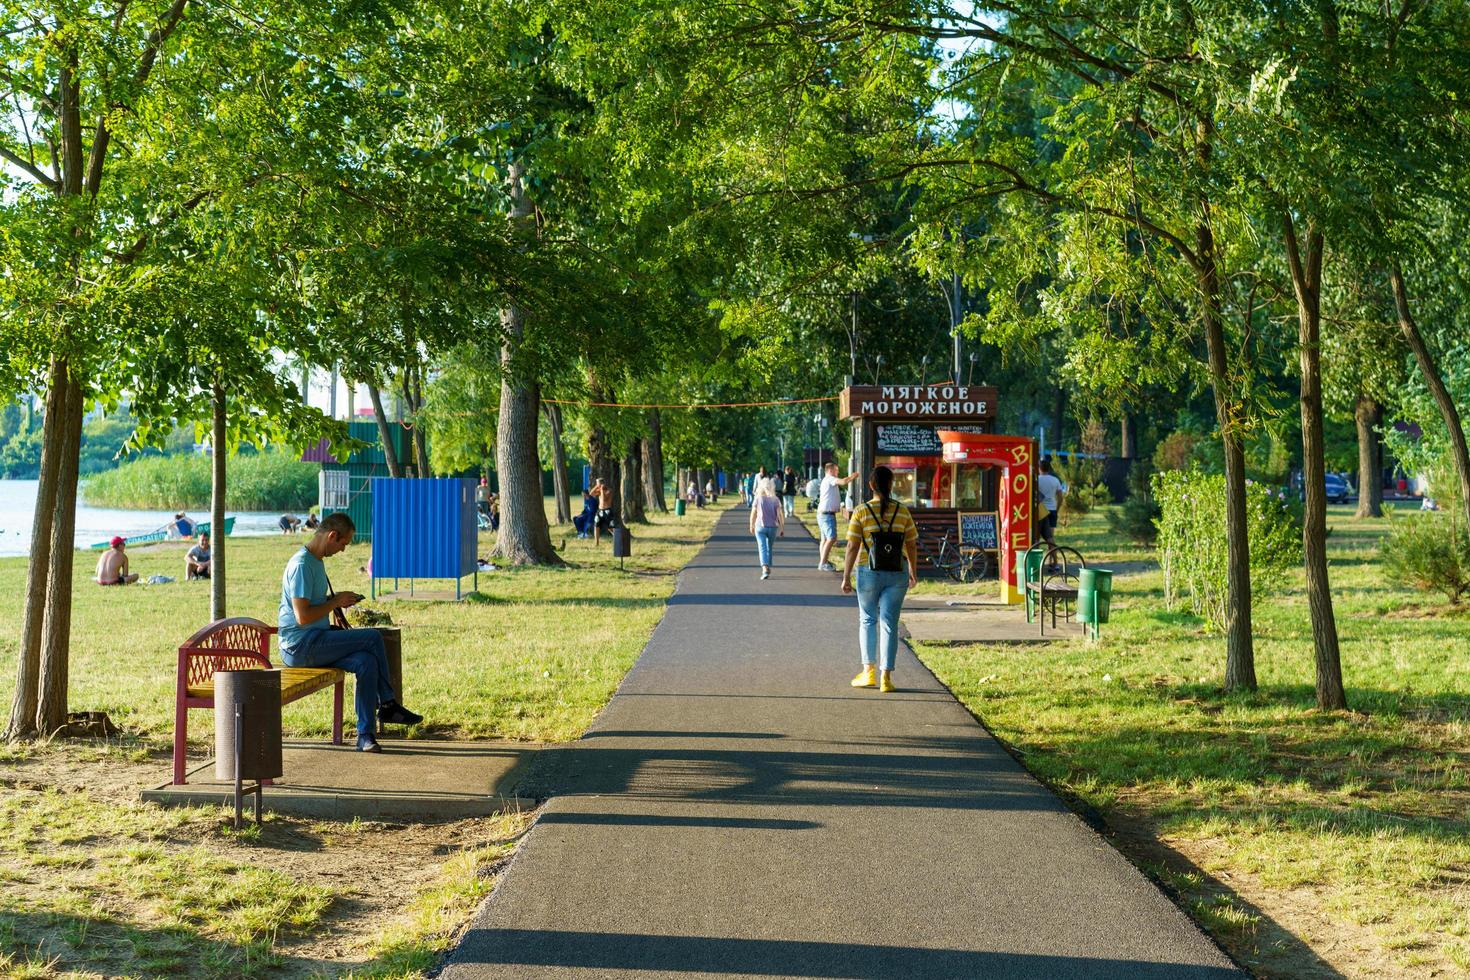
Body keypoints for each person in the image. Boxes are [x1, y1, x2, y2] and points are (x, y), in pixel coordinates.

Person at [277, 512, 422, 752]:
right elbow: (302, 617)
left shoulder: (315, 561)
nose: (343, 550)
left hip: (315, 640)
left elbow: (310, 604)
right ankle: (388, 703)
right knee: (373, 637)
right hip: (300, 646)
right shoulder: (302, 565)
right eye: (343, 543)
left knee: (366, 662)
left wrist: (334, 601)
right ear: (332, 536)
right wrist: (333, 603)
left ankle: (365, 735)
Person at [841, 465, 918, 694]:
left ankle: (868, 672)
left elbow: (852, 545)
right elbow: (911, 543)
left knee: (867, 620)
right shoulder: (902, 511)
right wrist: (913, 570)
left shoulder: (861, 511)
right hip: (897, 572)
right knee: (889, 623)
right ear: (891, 485)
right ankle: (886, 677)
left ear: (871, 485)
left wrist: (846, 576)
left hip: (868, 572)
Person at [815, 461, 860, 571]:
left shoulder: (825, 480)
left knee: (824, 539)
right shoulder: (830, 479)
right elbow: (843, 482)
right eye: (836, 470)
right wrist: (853, 476)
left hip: (822, 513)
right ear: (830, 470)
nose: (837, 472)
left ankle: (823, 561)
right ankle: (823, 563)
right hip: (827, 514)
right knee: (832, 538)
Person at [748, 476, 785, 580]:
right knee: (769, 547)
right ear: (771, 487)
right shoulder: (776, 499)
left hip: (760, 526)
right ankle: (768, 565)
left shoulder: (758, 499)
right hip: (773, 527)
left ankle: (765, 568)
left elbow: (753, 513)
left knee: (762, 547)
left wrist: (751, 525)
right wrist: (782, 528)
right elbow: (780, 515)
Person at [1036, 458, 1067, 549]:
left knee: (1036, 537)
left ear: (1039, 468)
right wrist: (1057, 508)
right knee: (1050, 537)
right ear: (1049, 469)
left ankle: (1036, 558)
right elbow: (1060, 497)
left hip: (1040, 511)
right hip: (1052, 510)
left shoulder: (1037, 480)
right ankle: (1052, 560)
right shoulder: (1055, 480)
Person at [592, 478, 615, 545]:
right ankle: (597, 543)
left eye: (597, 483)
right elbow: (591, 494)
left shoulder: (609, 491)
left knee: (610, 528)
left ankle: (618, 538)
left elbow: (604, 499)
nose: (597, 485)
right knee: (596, 526)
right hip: (599, 511)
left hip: (607, 511)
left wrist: (601, 489)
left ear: (602, 484)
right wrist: (596, 486)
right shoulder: (599, 490)